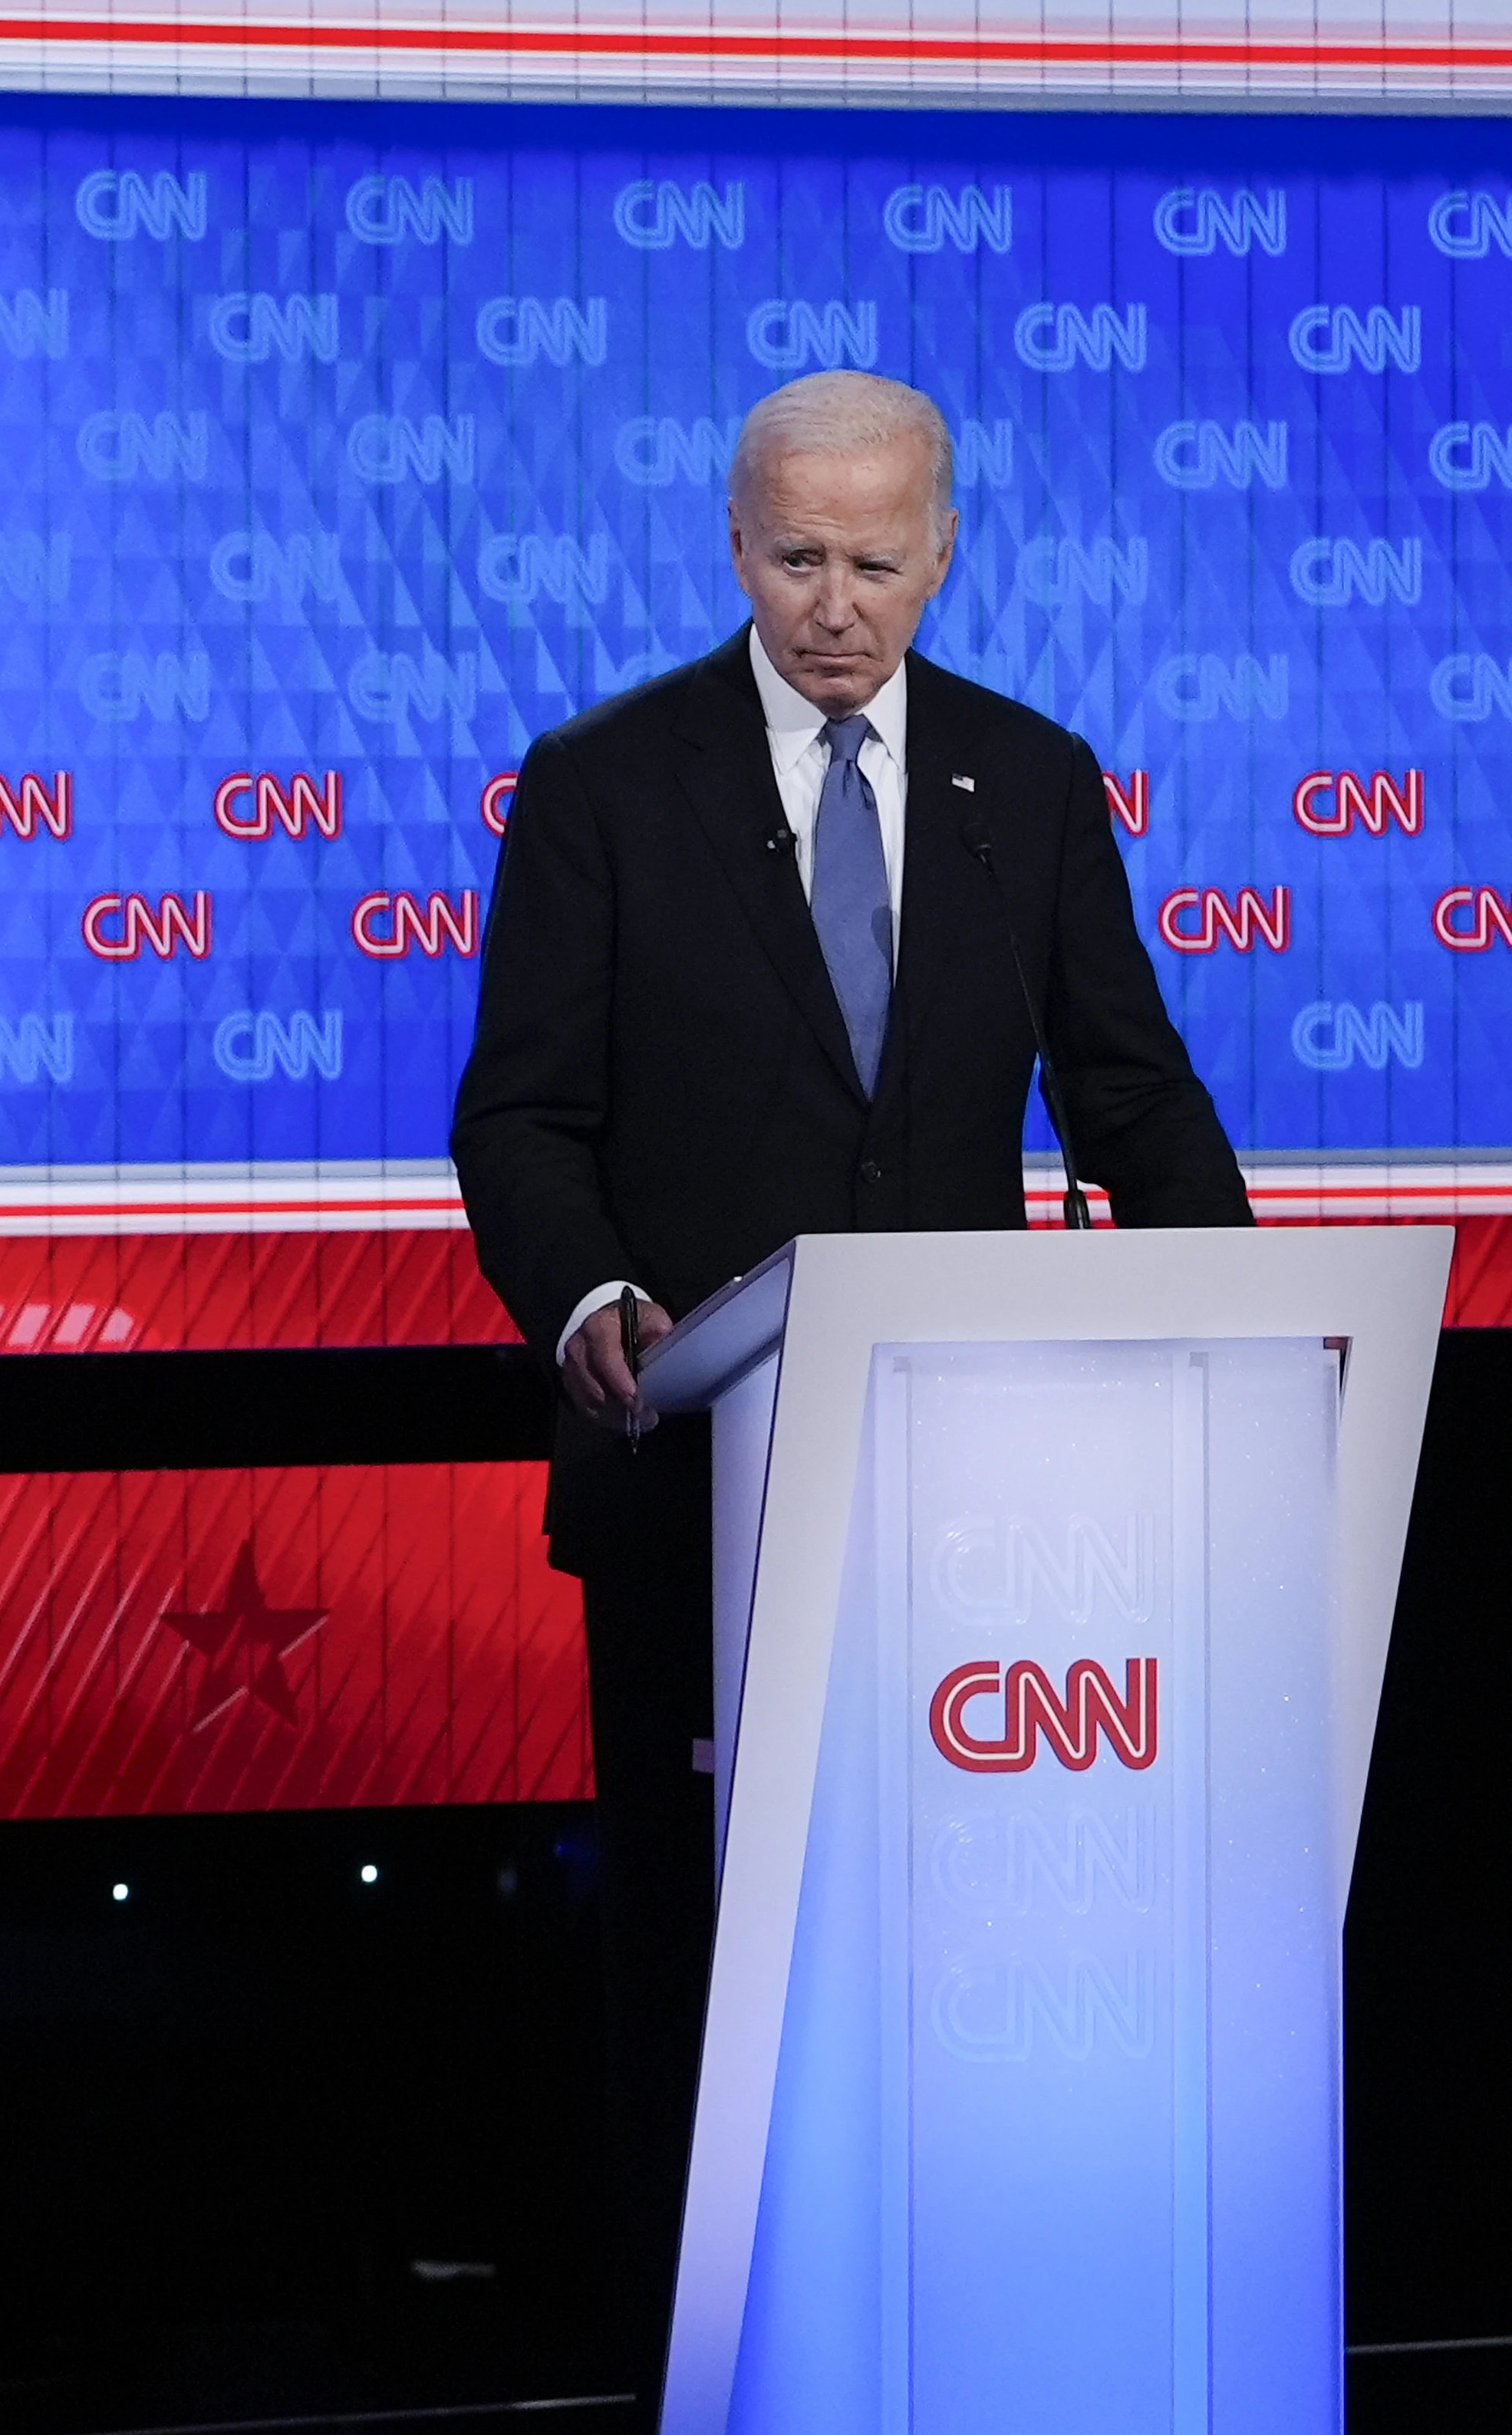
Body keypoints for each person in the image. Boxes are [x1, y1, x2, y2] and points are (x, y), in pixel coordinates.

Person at [448, 369, 1252, 2405]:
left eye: (874, 560)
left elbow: (1133, 1099)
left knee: (952, 1969)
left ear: (943, 549)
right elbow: (521, 1118)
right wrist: (596, 1300)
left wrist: (1243, 1342)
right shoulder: (604, 782)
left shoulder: (1030, 783)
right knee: (707, 1976)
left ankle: (959, 2351)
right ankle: (708, 2363)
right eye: (796, 557)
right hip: (693, 1480)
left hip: (984, 1511)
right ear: (737, 544)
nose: (833, 602)